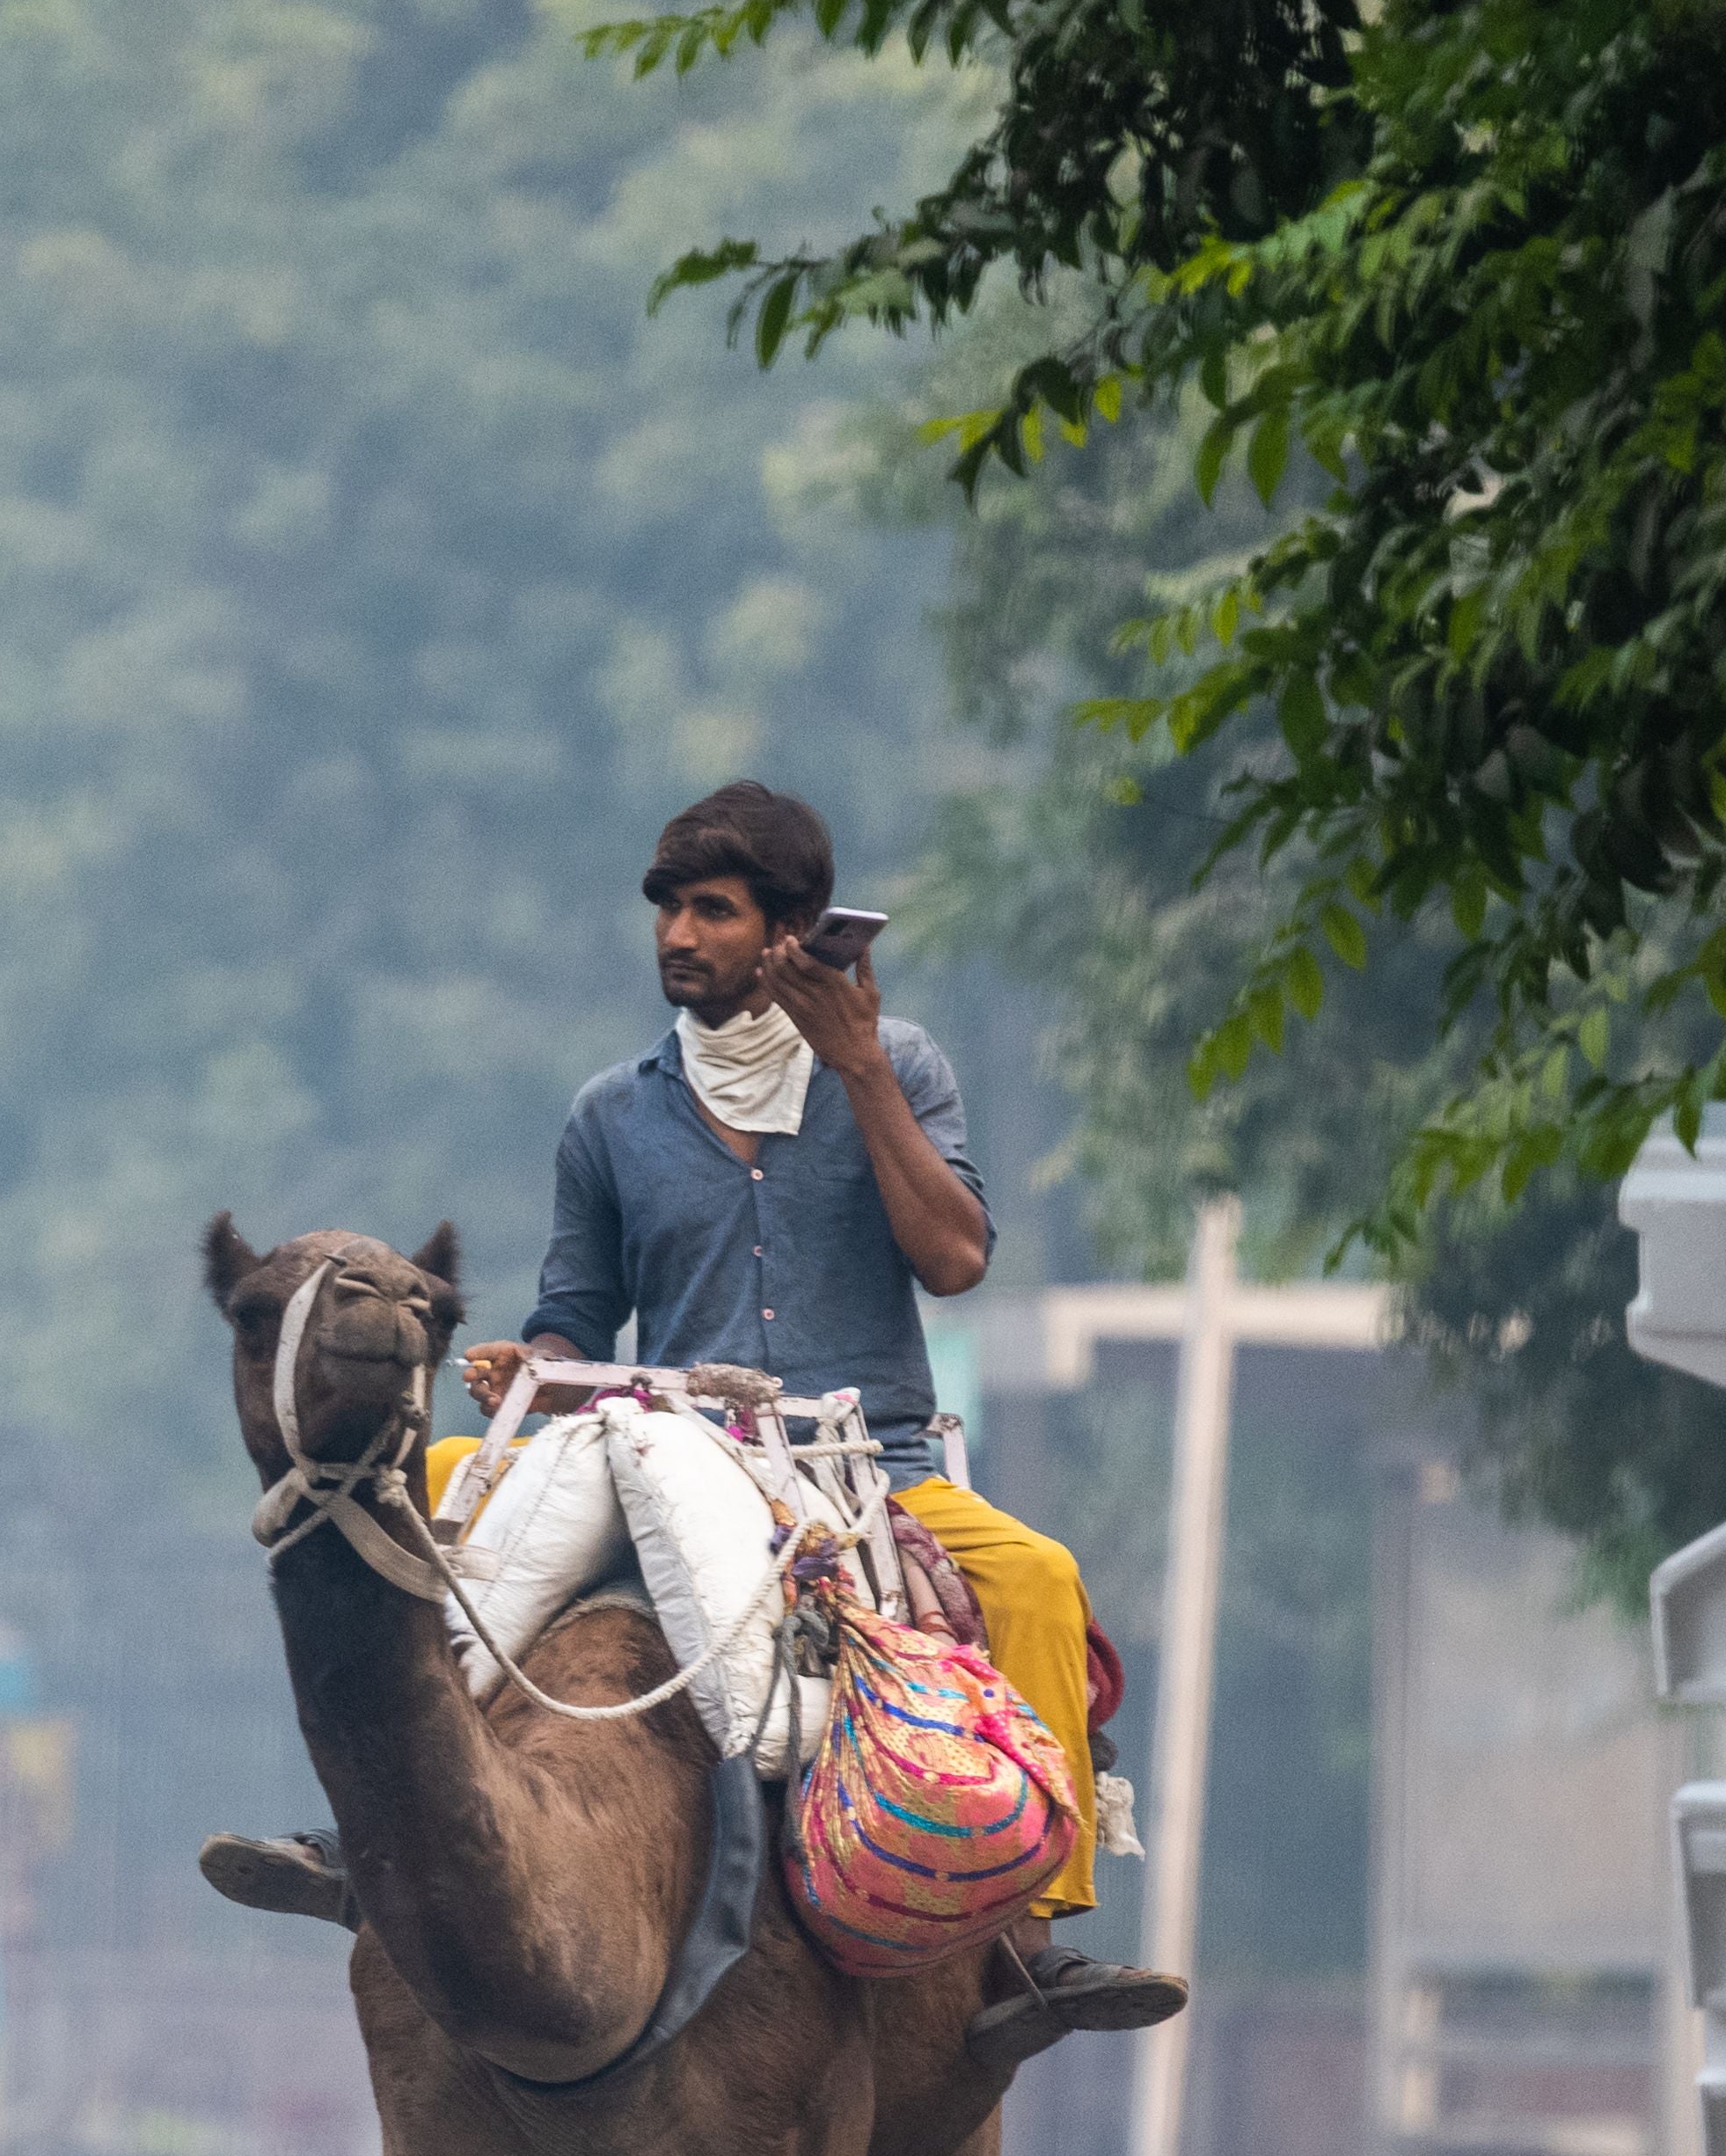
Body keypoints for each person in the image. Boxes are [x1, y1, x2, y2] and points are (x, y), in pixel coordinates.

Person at [207, 781, 1184, 2061]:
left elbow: (953, 1259)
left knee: (1044, 1581)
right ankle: (370, 1838)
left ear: (795, 934)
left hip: (864, 1472)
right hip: (660, 1456)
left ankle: (1035, 1952)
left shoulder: (905, 1069)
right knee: (439, 1473)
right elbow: (574, 1314)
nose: (676, 934)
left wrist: (861, 1066)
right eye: (667, 908)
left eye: (712, 911)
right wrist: (532, 1365)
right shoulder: (611, 1115)